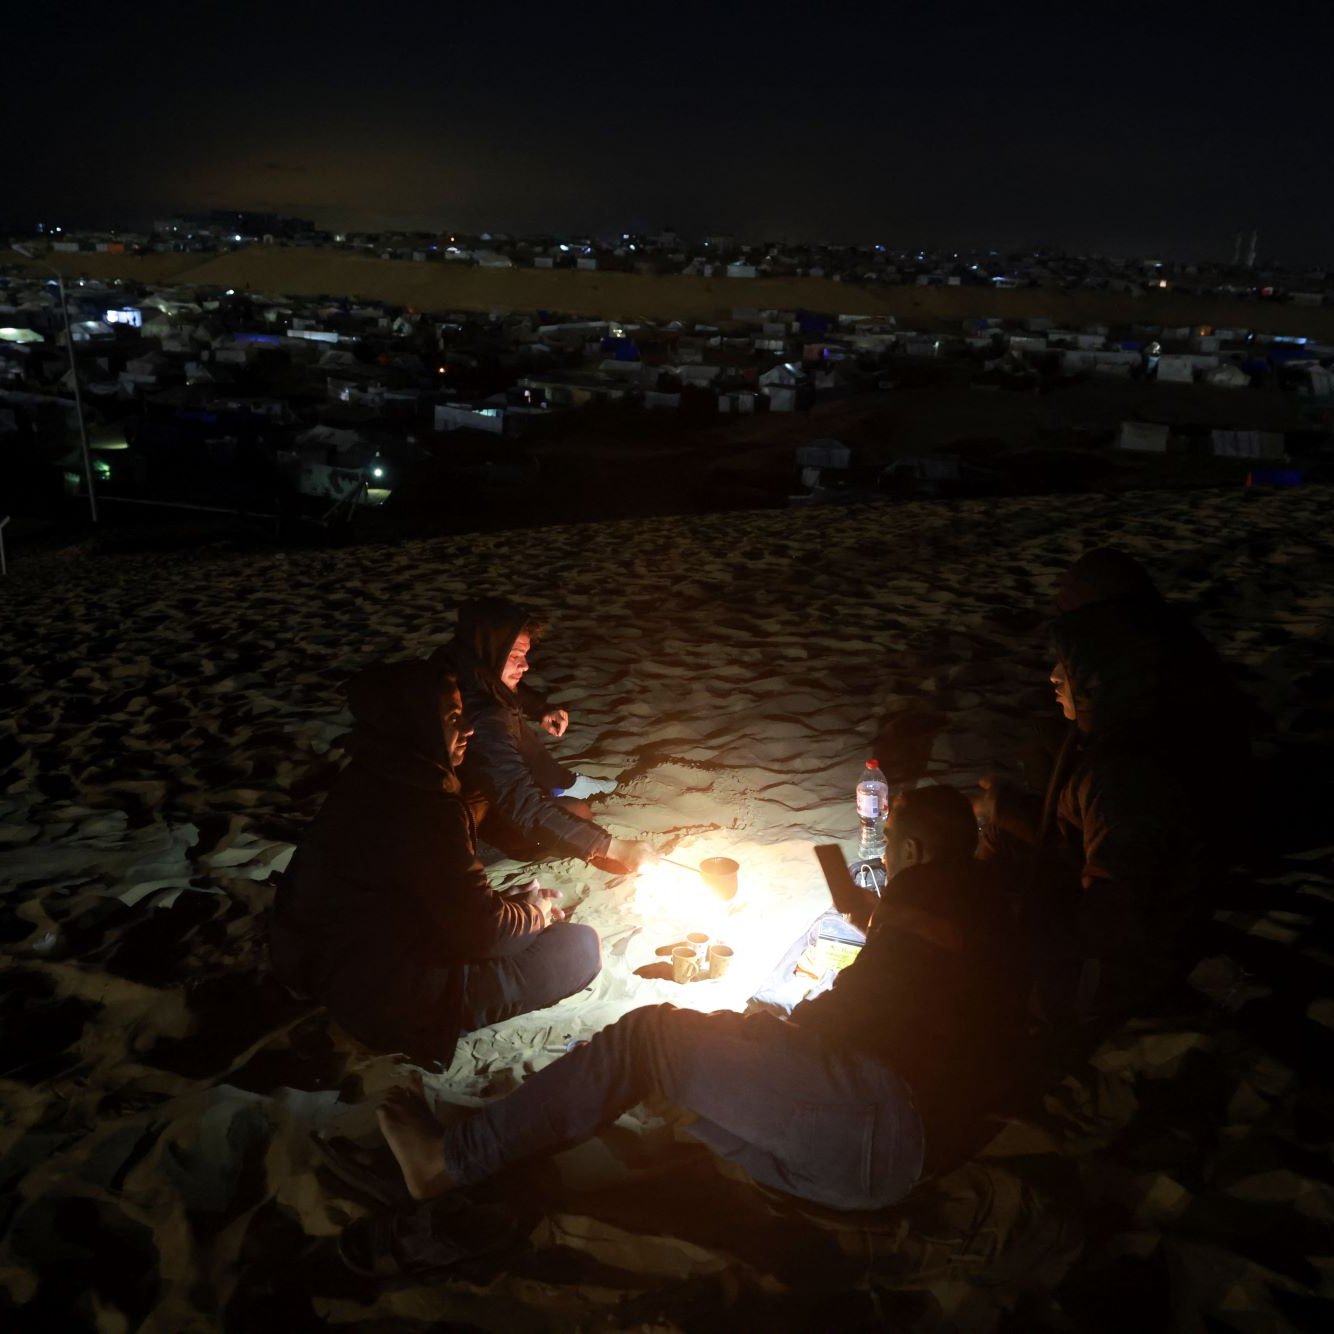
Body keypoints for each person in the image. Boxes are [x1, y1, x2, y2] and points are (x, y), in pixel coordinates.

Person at [369, 786, 1030, 1213]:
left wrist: (777, 1028)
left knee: (650, 1036)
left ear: (913, 850)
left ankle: (447, 1163)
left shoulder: (923, 894)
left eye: (890, 846)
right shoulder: (988, 899)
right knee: (684, 1091)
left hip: (879, 1123)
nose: (885, 857)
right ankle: (549, 1141)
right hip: (902, 1159)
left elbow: (864, 1004)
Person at [269, 657, 602, 1067]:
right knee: (579, 946)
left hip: (333, 965)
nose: (468, 729)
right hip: (388, 996)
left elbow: (431, 892)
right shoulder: (426, 803)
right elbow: (485, 935)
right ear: (415, 723)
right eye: (453, 717)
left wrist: (506, 903)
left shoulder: (369, 775)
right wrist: (533, 913)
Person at [978, 559, 1234, 1025]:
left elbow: (1118, 921)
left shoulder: (1126, 769)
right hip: (1115, 907)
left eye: (1068, 661)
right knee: (1013, 794)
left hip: (1127, 970)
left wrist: (1012, 948)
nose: (1054, 676)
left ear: (1102, 666)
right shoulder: (1142, 714)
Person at [433, 597, 655, 873]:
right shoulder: (482, 719)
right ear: (489, 651)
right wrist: (613, 848)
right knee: (577, 813)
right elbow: (521, 802)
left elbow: (493, 686)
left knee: (509, 715)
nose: (525, 666)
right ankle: (486, 850)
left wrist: (539, 708)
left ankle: (563, 782)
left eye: (524, 655)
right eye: (514, 656)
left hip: (456, 800)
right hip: (453, 829)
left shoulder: (454, 666)